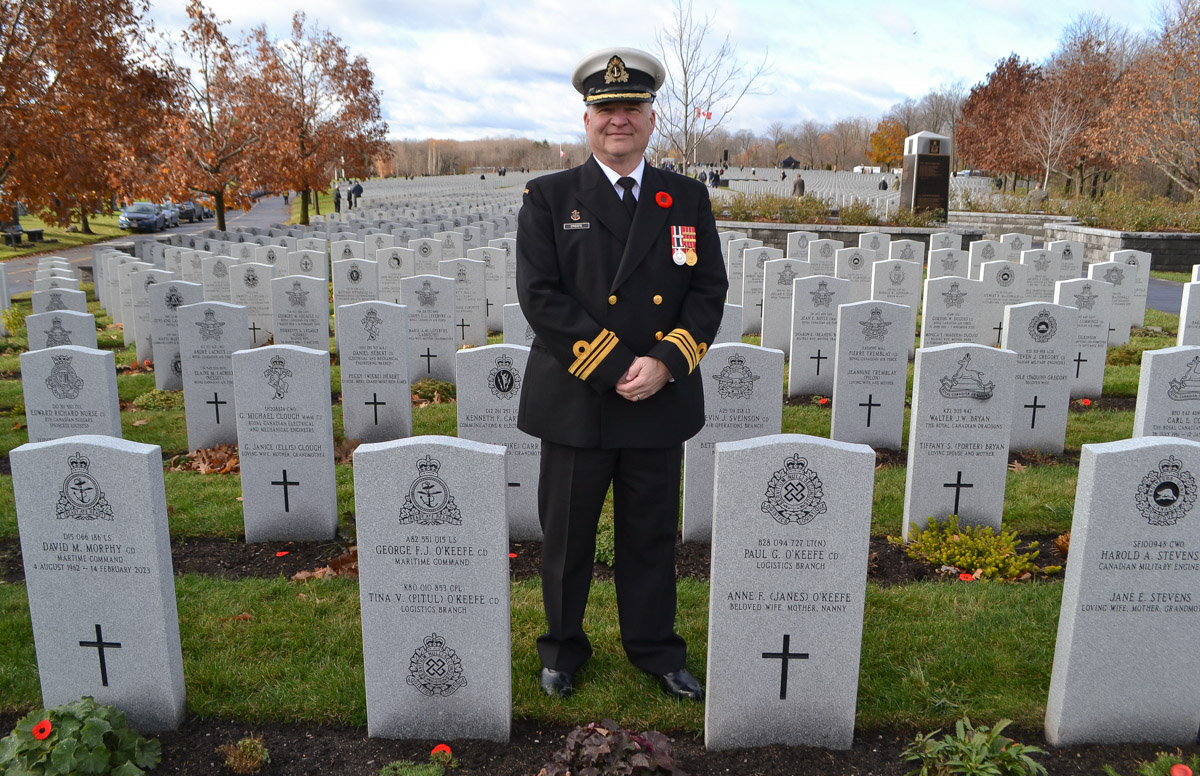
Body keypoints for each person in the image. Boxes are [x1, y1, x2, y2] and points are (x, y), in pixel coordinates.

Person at [516, 46, 727, 703]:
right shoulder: (549, 198)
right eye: (606, 109)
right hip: (578, 399)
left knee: (650, 538)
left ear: (651, 119)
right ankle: (561, 650)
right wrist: (615, 366)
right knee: (568, 541)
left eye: (631, 108)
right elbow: (540, 296)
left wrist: (666, 364)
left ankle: (655, 650)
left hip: (657, 402)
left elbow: (707, 291)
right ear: (586, 119)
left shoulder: (685, 198)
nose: (618, 120)